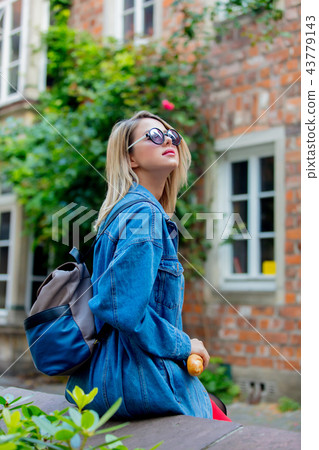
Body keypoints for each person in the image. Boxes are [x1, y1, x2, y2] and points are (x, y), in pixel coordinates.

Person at [65, 110, 230, 421]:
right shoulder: (144, 215)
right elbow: (121, 309)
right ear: (130, 160)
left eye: (171, 136)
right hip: (138, 377)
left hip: (111, 374)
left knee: (217, 409)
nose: (167, 139)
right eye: (154, 136)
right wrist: (186, 345)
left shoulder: (124, 212)